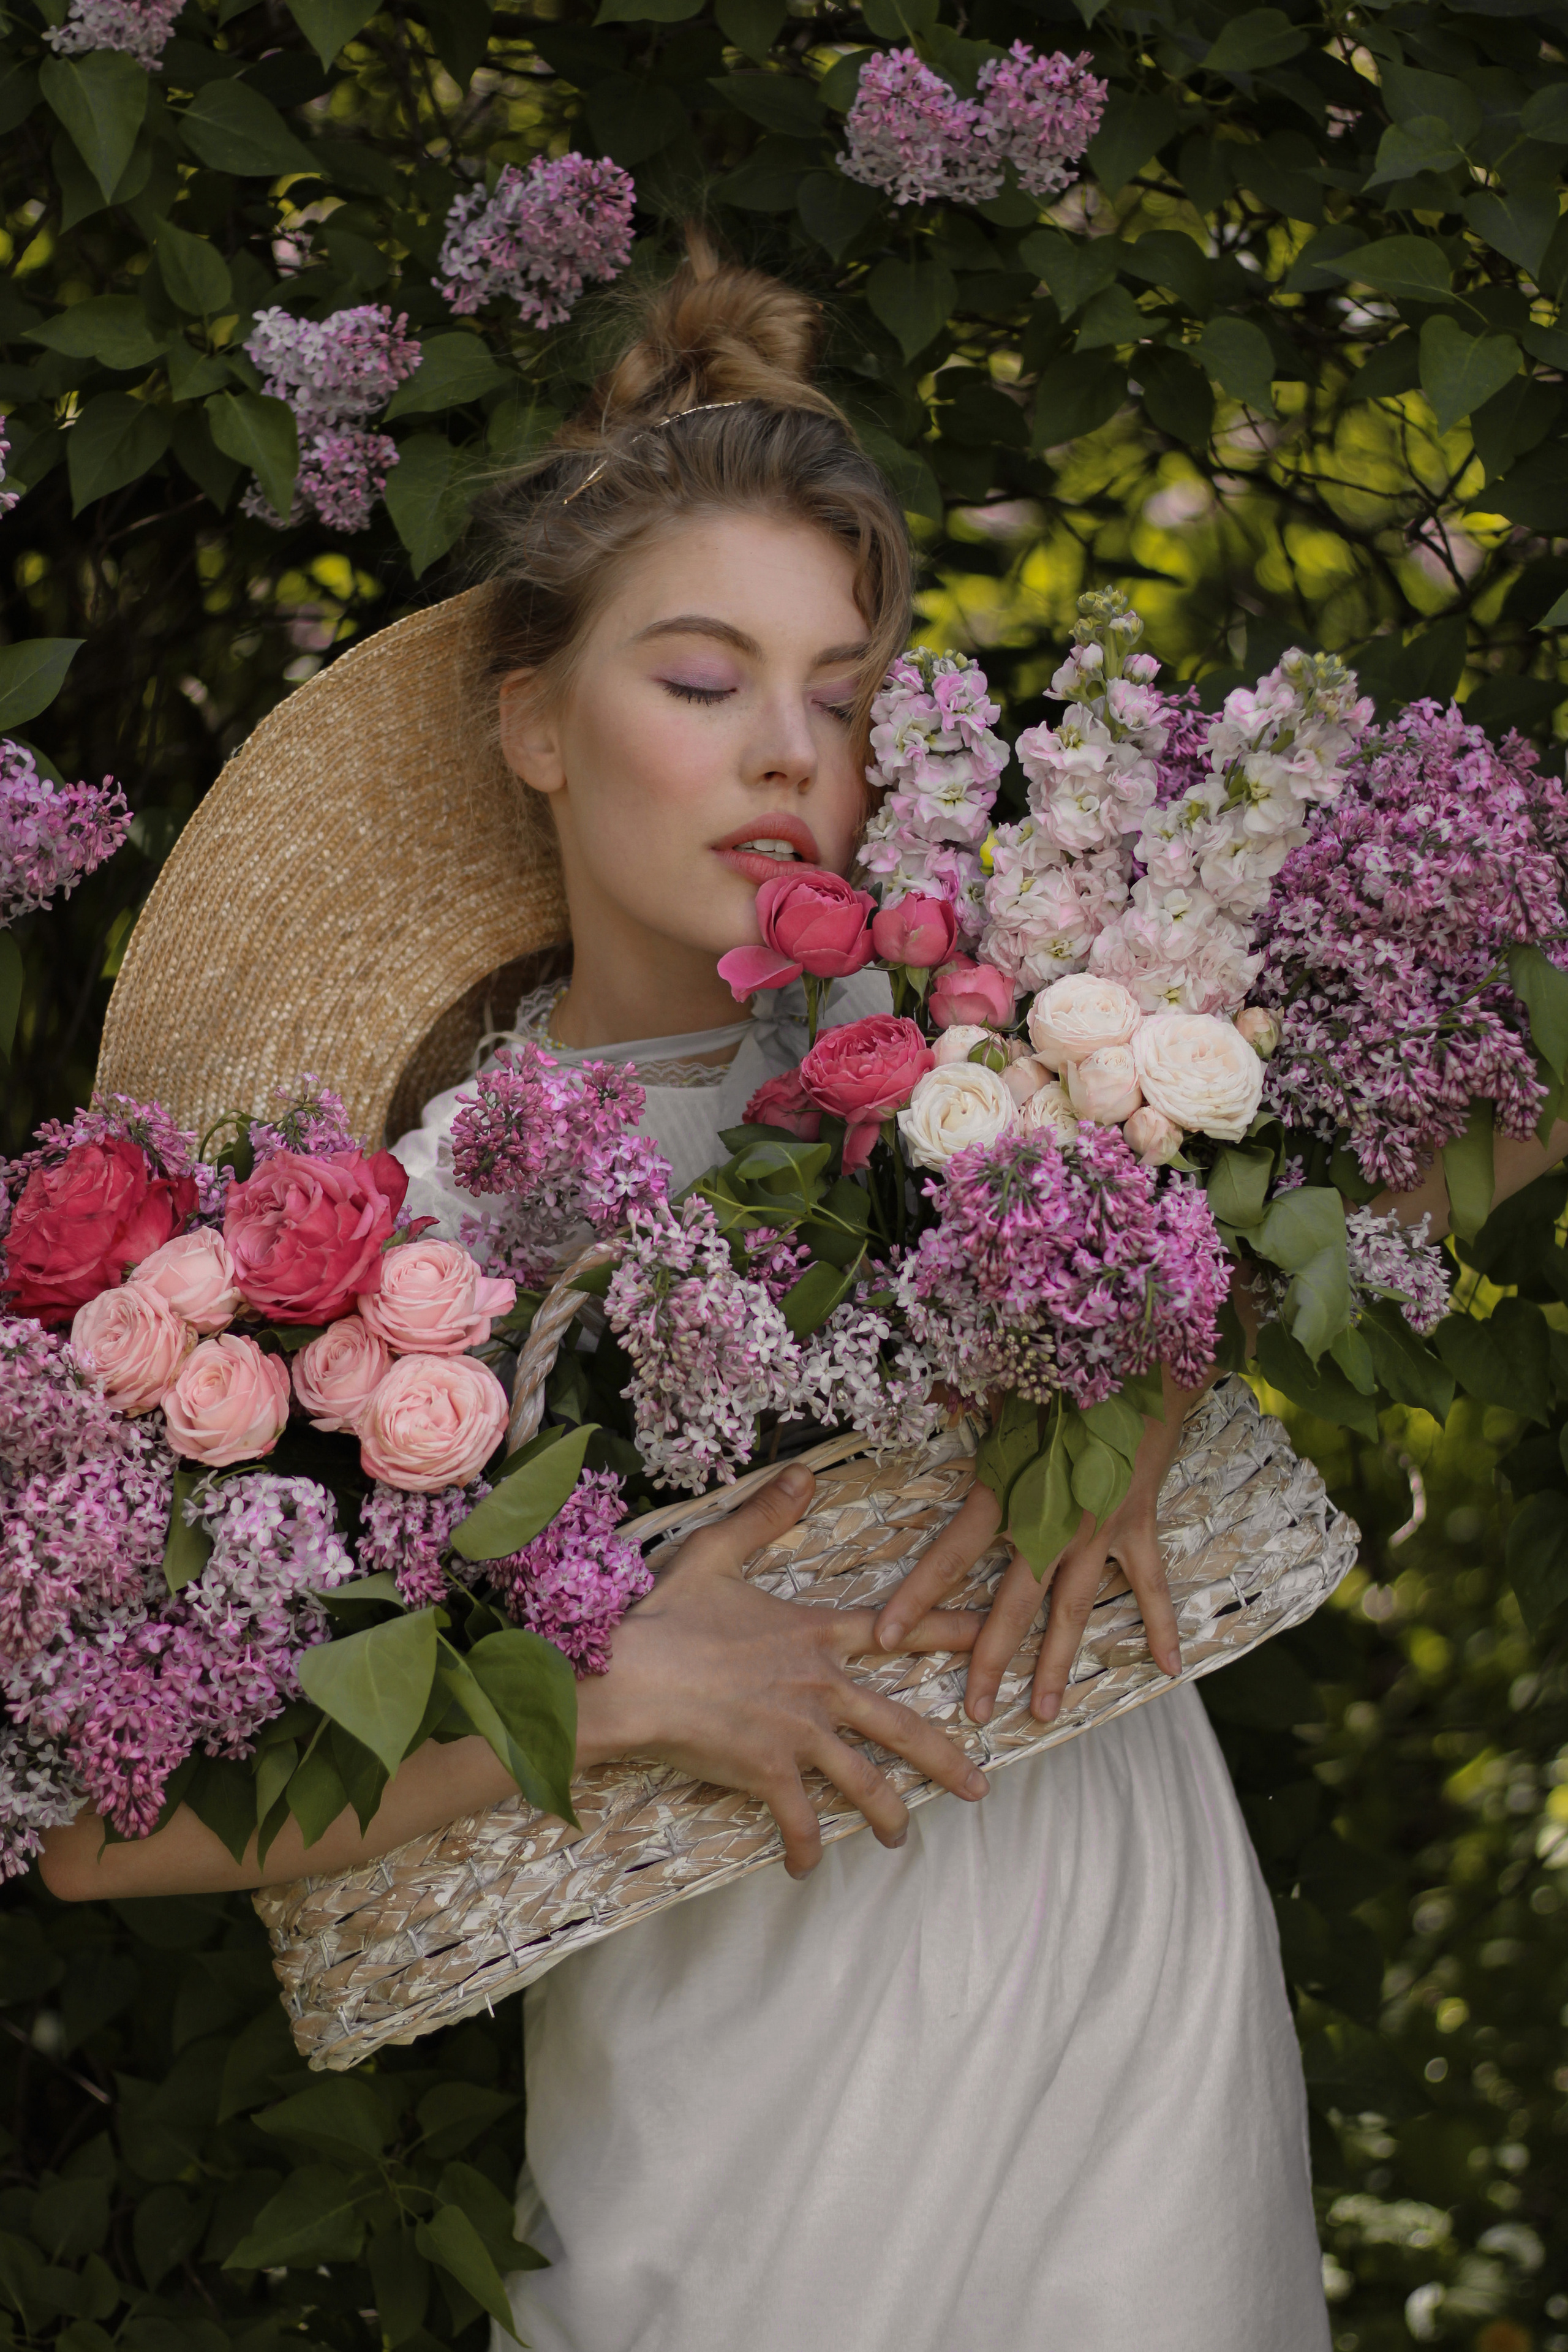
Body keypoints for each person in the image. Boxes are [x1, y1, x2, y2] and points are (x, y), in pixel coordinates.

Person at [44, 235, 1567, 2349]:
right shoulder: (398, 1236)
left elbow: (1502, 1096)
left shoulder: (1034, 1040)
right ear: (534, 722)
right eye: (701, 682)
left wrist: (1149, 1340)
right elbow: (95, 1834)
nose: (786, 752)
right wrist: (608, 1687)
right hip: (742, 2134)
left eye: (840, 698)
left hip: (1126, 2047)